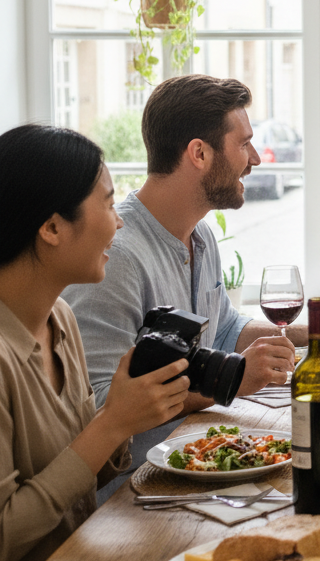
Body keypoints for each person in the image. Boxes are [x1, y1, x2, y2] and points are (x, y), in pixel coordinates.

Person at [64, 76, 320, 493]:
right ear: (199, 153)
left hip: (201, 463)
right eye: (243, 144)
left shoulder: (200, 237)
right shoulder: (116, 259)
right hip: (136, 491)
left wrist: (309, 335)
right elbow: (99, 407)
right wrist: (231, 379)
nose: (256, 158)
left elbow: (222, 329)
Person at [0, 125, 189, 561]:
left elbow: (86, 474)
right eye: (107, 204)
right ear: (51, 227)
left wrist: (126, 411)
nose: (119, 220)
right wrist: (113, 424)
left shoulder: (60, 319)